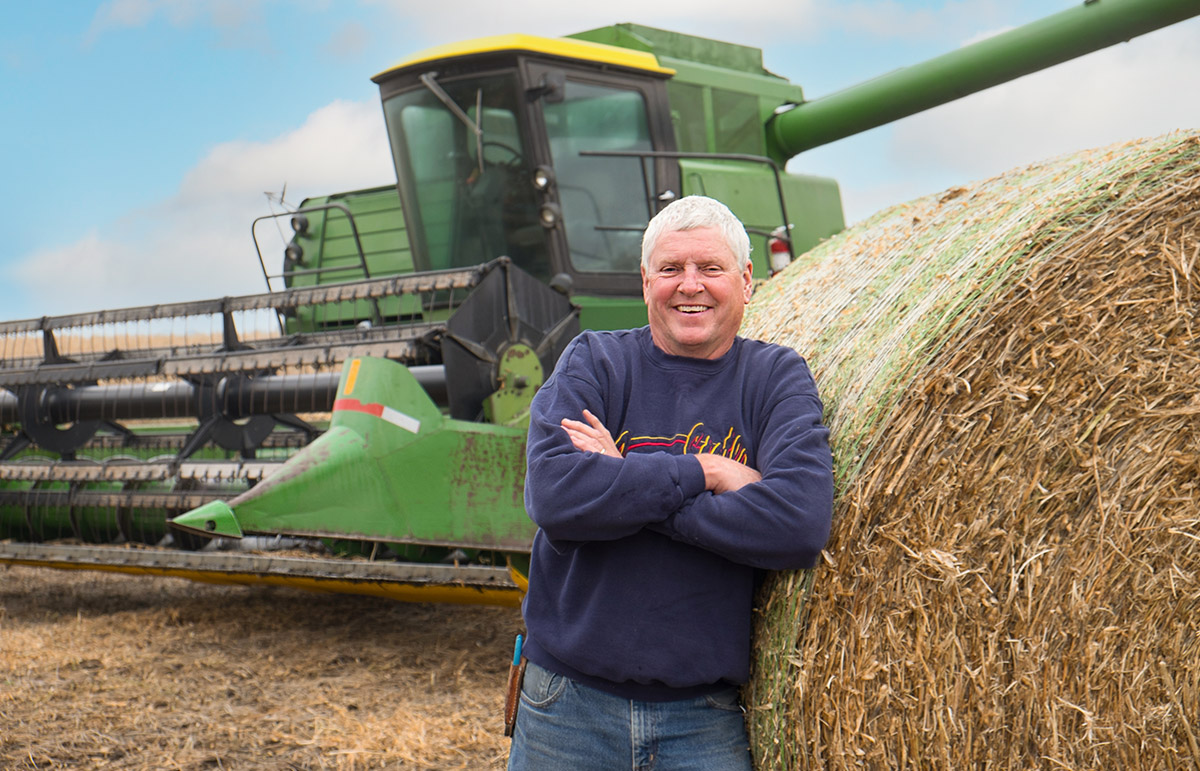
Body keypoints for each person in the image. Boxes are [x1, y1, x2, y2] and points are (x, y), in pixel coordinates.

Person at [508, 195, 834, 770]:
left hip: (701, 719)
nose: (691, 285)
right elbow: (557, 497)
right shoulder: (595, 363)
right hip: (567, 707)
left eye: (710, 268)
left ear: (746, 279)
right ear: (645, 281)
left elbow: (797, 525)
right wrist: (707, 472)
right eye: (670, 269)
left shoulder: (774, 378)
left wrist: (622, 482)